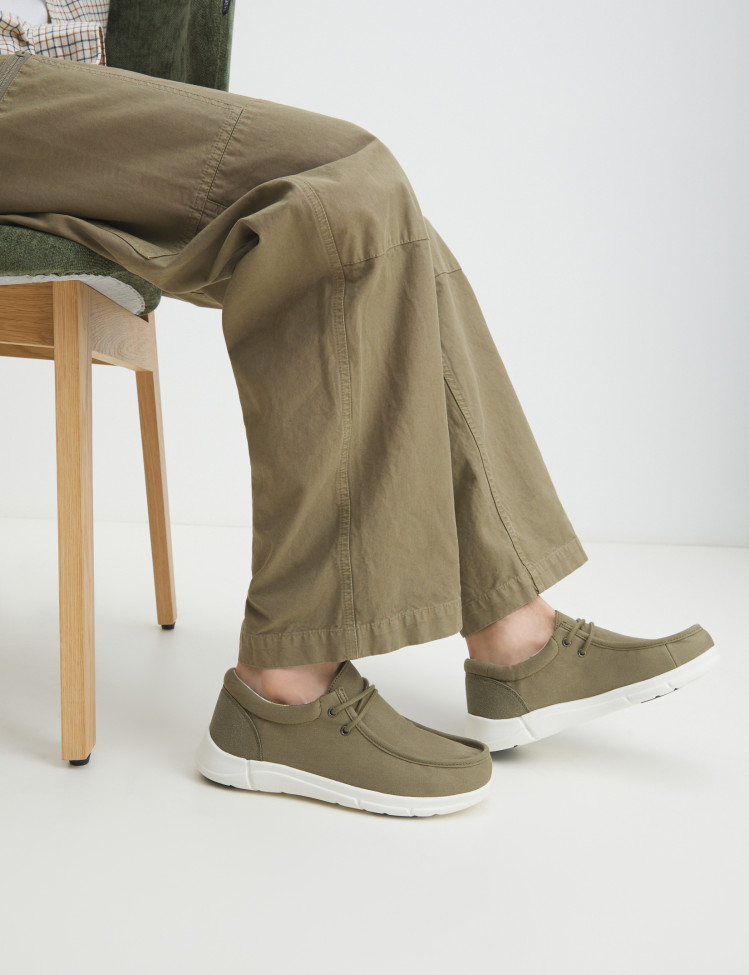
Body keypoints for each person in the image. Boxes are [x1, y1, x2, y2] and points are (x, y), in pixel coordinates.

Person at [0, 3, 718, 817]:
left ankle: (515, 632)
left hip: (58, 95)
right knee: (344, 177)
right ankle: (285, 687)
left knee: (383, 225)